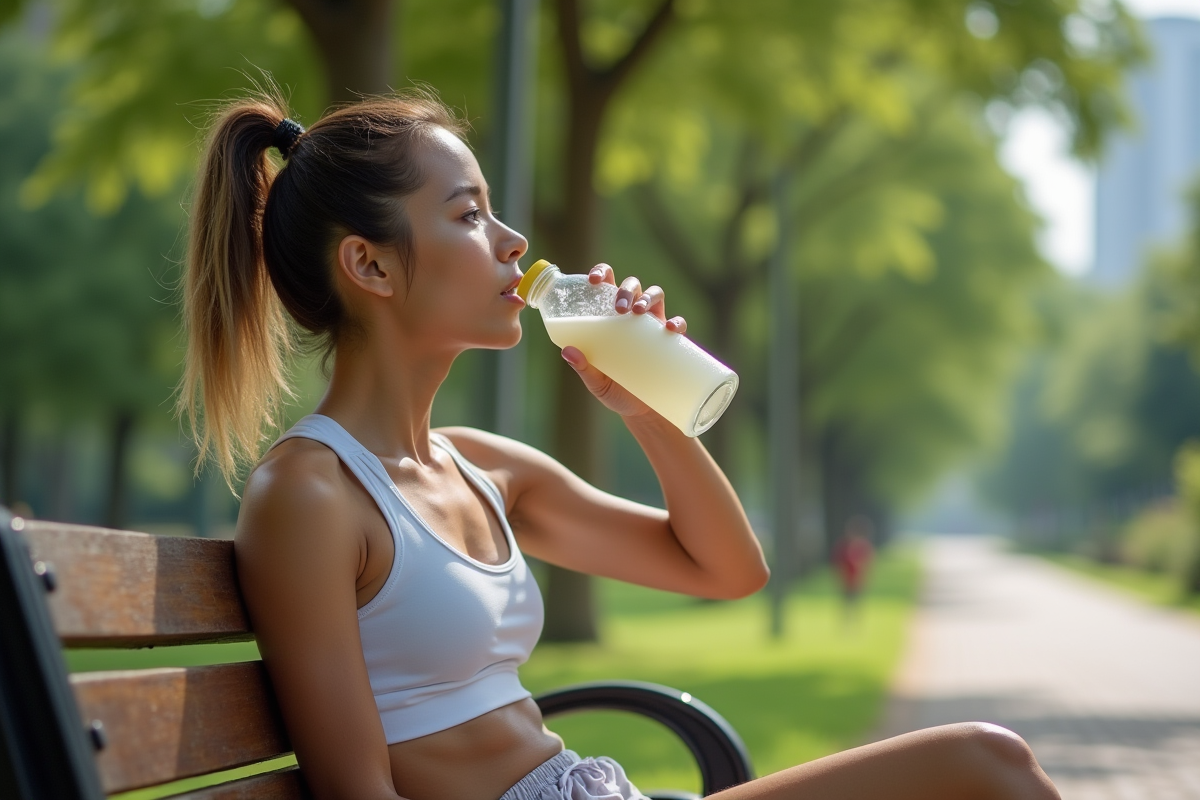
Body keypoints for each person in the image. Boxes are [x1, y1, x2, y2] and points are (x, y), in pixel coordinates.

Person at [178, 90, 1061, 800]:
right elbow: (354, 789)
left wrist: (644, 409)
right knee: (984, 769)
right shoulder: (312, 494)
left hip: (596, 786)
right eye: (469, 215)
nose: (513, 240)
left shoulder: (485, 467)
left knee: (990, 761)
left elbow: (726, 572)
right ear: (370, 266)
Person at [834, 515, 875, 622]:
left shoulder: (863, 546)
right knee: (846, 603)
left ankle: (856, 621)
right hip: (846, 579)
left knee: (857, 602)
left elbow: (868, 563)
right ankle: (847, 621)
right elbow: (838, 562)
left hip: (858, 580)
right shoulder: (844, 545)